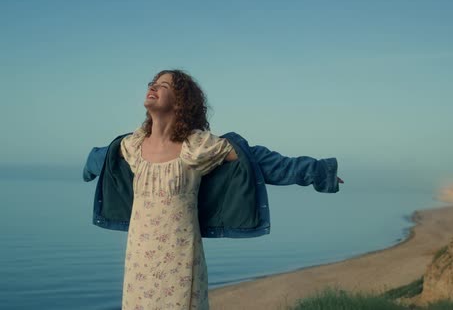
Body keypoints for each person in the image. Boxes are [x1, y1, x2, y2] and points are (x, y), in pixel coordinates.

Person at [83, 69, 342, 309]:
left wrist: (318, 172)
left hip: (179, 263)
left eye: (163, 85)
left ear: (180, 102)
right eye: (152, 83)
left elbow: (257, 161)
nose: (153, 86)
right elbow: (100, 159)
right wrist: (88, 168)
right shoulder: (132, 146)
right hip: (139, 263)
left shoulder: (197, 147)